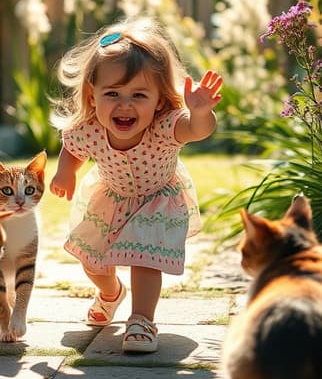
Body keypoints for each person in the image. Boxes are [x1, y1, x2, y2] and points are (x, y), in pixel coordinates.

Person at [49, 18, 223, 353]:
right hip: (110, 198)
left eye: (138, 95)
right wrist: (65, 172)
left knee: (144, 259)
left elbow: (195, 131)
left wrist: (200, 113)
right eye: (112, 93)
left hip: (156, 199)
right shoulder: (89, 129)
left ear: (159, 101)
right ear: (92, 94)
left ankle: (141, 320)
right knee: (93, 262)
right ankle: (111, 292)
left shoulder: (164, 127)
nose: (124, 105)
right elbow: (72, 148)